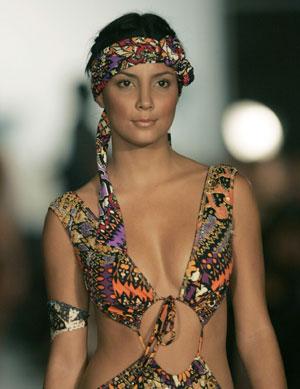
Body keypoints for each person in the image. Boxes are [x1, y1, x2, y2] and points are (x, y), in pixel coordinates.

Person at [42, 12, 287, 389]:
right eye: (126, 83)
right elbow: (67, 356)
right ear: (100, 91)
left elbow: (255, 333)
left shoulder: (228, 193)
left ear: (178, 88)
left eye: (161, 83)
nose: (145, 102)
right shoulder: (70, 217)